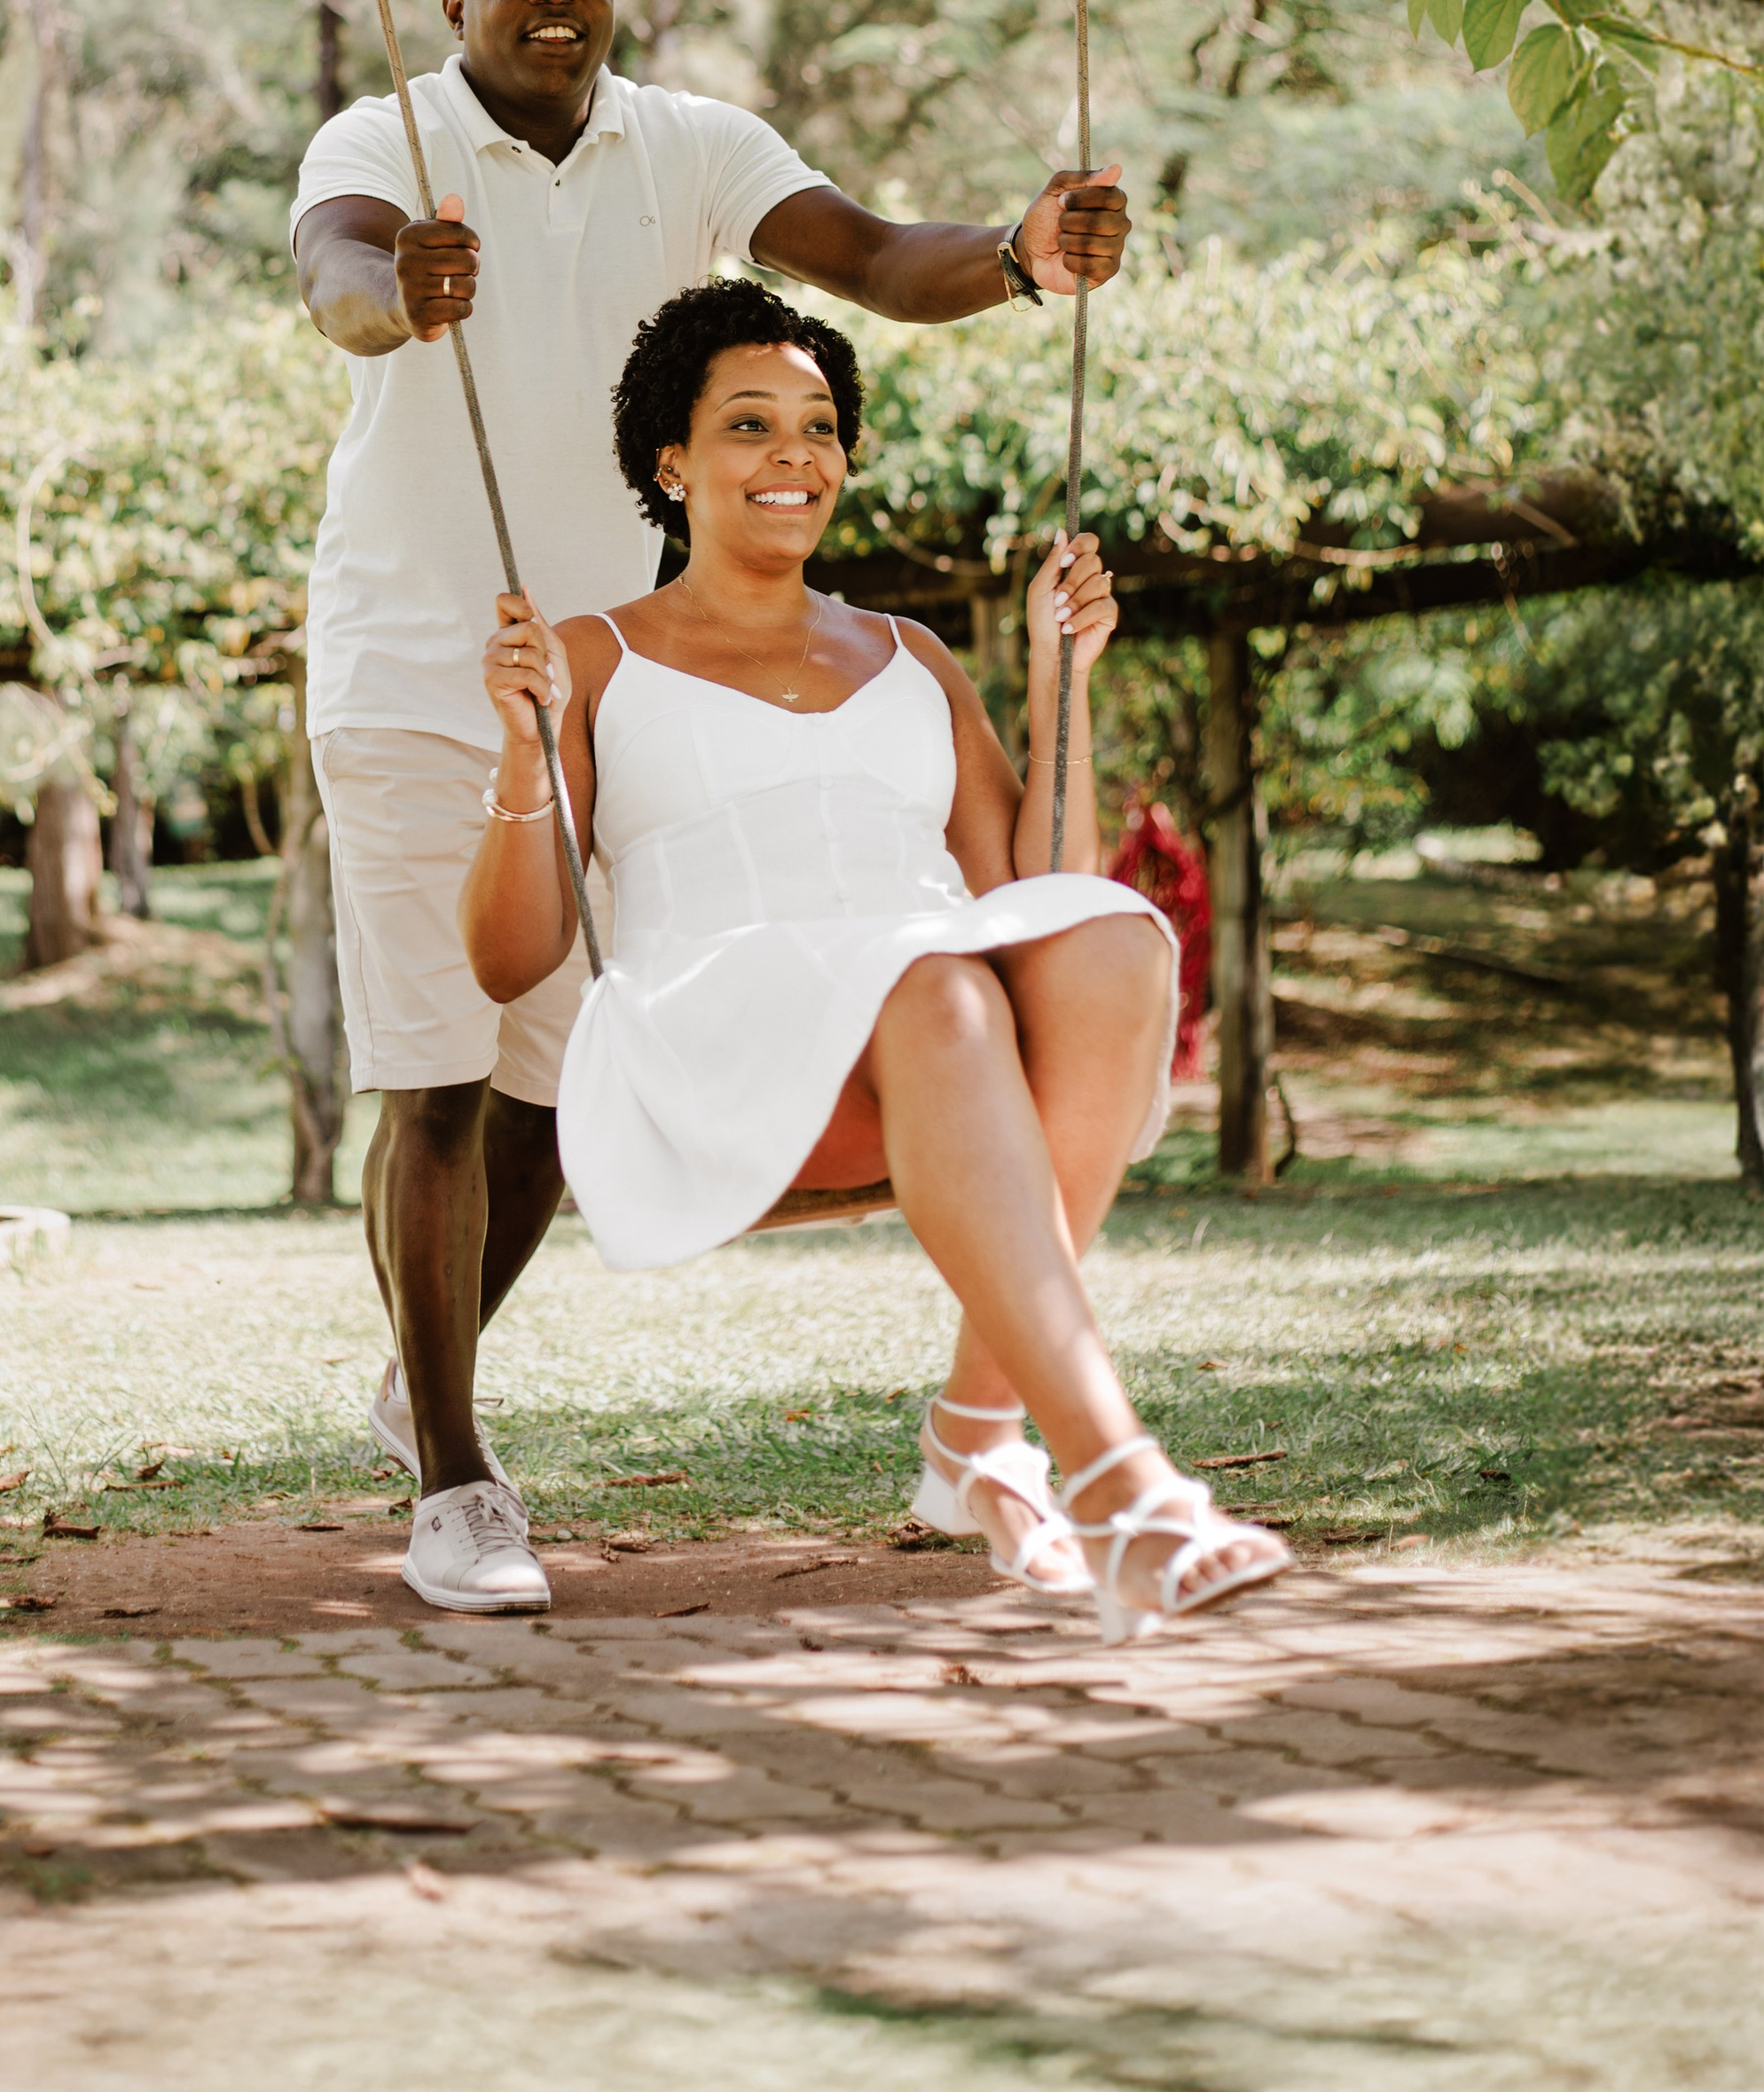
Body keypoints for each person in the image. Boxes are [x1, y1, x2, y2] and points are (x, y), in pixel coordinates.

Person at [292, 0, 1133, 1615]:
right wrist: (404, 294)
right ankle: (454, 1478)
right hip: (411, 679)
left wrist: (1012, 256)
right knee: (439, 1073)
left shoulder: (687, 145)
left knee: (544, 1081)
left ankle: (416, 1371)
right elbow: (334, 278)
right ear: (453, 2)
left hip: (606, 692)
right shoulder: (380, 136)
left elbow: (868, 260)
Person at [461, 279, 1290, 1643]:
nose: (795, 454)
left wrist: (1057, 669)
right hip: (717, 1035)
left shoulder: (912, 657)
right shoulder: (593, 658)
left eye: (820, 425)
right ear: (671, 462)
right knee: (941, 985)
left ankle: (981, 1429)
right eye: (749, 424)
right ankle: (1118, 1480)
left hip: (928, 1016)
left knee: (1116, 946)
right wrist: (517, 751)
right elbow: (512, 960)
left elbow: (1040, 892)